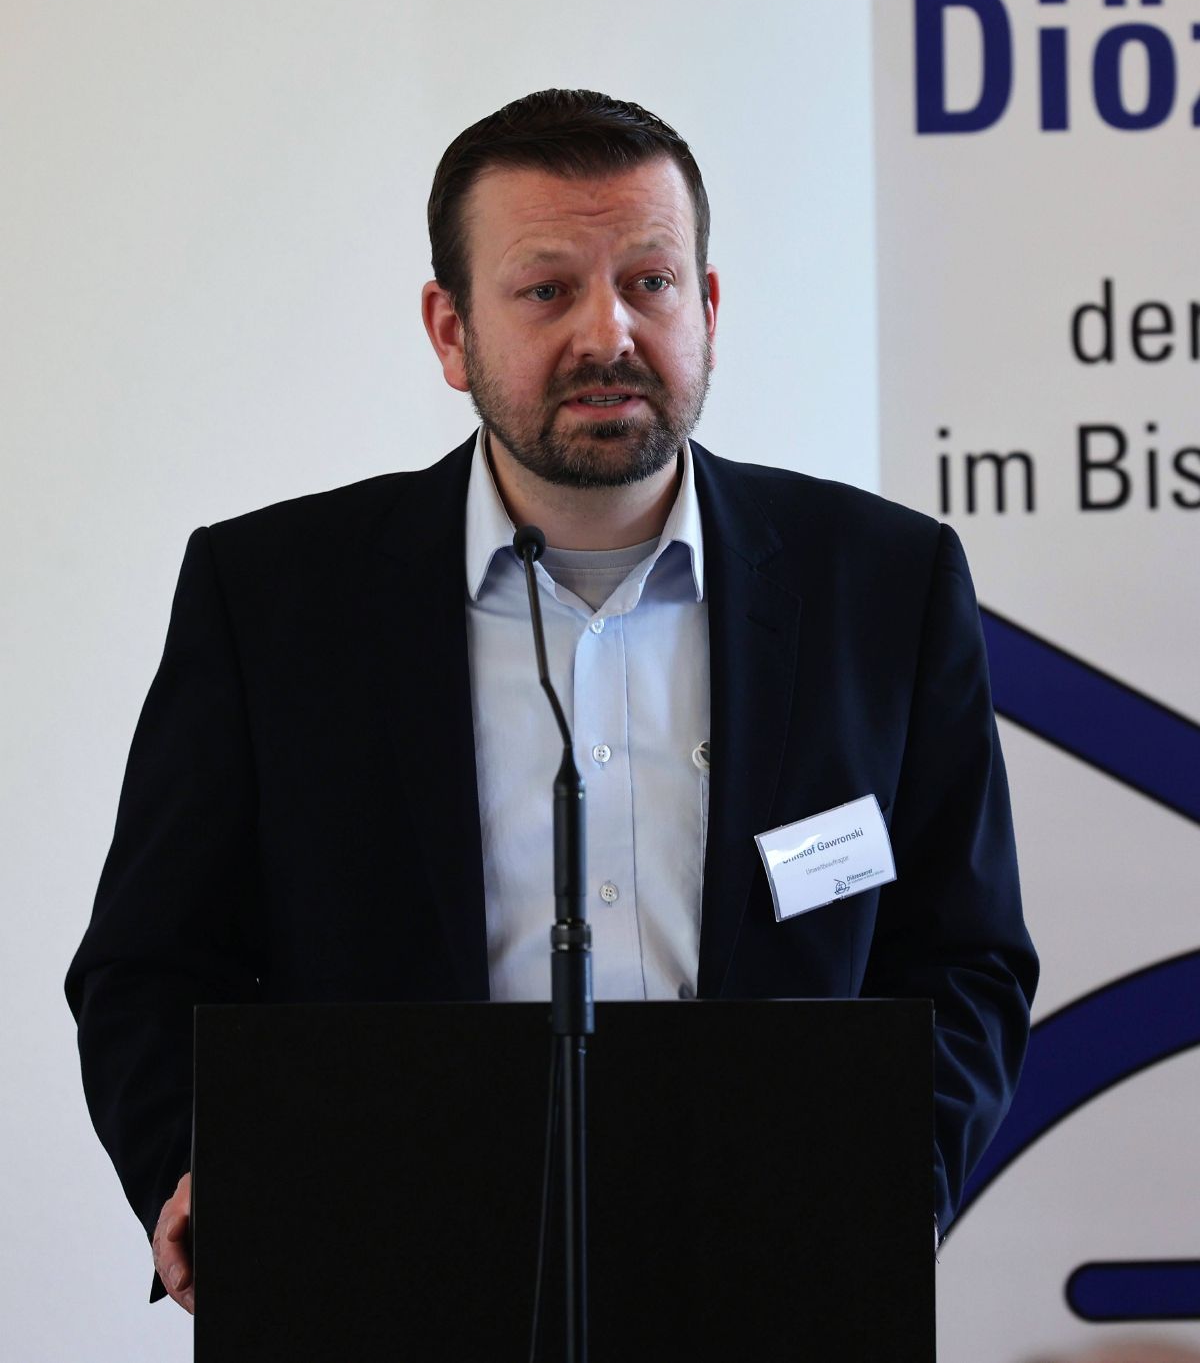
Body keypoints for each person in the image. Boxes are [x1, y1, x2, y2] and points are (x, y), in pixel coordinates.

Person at [66, 88, 1038, 1313]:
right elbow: (147, 964)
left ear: (708, 308)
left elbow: (966, 955)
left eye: (650, 282)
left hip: (773, 1276)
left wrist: (894, 1191)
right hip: (384, 1276)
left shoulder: (884, 584)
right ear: (451, 329)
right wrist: (195, 1167)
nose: (608, 332)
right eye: (546, 290)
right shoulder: (272, 598)